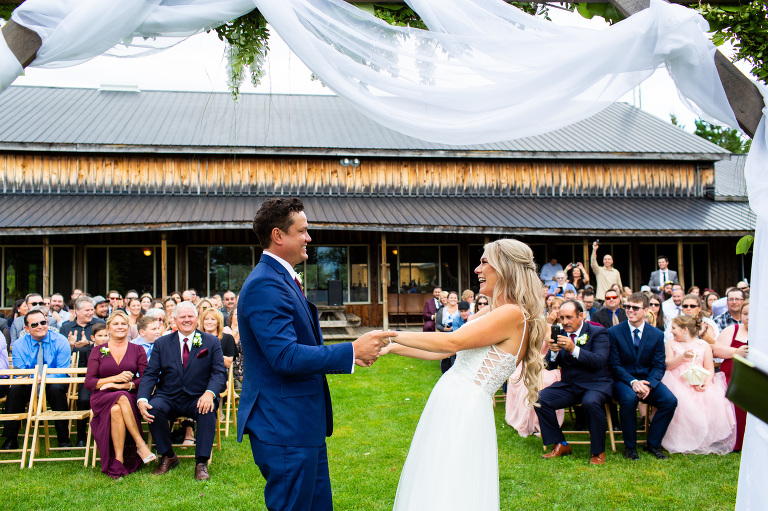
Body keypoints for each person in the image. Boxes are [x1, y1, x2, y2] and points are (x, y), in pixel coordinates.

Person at [236, 197, 388, 509]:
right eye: (302, 231)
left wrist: (353, 355)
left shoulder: (281, 278)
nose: (309, 237)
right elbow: (285, 356)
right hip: (284, 426)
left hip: (301, 424)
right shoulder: (265, 284)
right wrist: (351, 350)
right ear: (279, 235)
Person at [380, 238, 545, 510]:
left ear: (505, 267)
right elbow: (445, 352)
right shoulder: (492, 311)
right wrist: (392, 348)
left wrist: (389, 334)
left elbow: (450, 342)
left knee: (450, 481)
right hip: (451, 399)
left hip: (463, 406)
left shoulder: (513, 314)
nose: (477, 269)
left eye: (484, 262)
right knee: (435, 477)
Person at [535, 300, 612, 465]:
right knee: (540, 399)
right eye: (562, 318)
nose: (565, 322)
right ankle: (560, 444)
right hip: (570, 385)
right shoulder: (560, 333)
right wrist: (553, 353)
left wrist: (573, 349)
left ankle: (598, 451)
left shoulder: (598, 332)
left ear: (581, 315)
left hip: (595, 384)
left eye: (569, 317)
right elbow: (550, 365)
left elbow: (600, 361)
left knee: (591, 403)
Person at [85, 311, 155, 479]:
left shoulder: (137, 349)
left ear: (128, 328)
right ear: (108, 328)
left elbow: (145, 378)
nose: (120, 327)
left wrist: (124, 385)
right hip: (102, 396)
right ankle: (140, 444)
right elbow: (89, 383)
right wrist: (113, 379)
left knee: (118, 406)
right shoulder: (98, 351)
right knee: (121, 397)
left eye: (123, 324)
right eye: (115, 324)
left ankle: (118, 460)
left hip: (129, 395)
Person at [607, 293, 676, 460]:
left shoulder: (657, 334)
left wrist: (649, 384)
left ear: (645, 310)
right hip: (623, 380)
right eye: (627, 306)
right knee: (629, 398)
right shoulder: (614, 332)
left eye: (635, 308)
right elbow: (614, 364)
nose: (630, 310)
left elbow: (659, 365)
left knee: (670, 401)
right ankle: (630, 447)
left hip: (647, 380)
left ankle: (652, 444)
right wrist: (632, 381)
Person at [660, 315, 736, 454]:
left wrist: (706, 383)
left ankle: (705, 439)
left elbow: (709, 368)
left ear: (685, 330)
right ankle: (683, 438)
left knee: (713, 398)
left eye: (674, 328)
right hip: (677, 380)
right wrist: (682, 357)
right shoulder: (670, 344)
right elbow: (668, 365)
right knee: (681, 400)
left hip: (700, 381)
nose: (671, 331)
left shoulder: (703, 345)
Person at [1, 308, 72, 450]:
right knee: (15, 390)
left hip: (54, 381)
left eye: (43, 322)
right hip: (29, 382)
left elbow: (62, 370)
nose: (40, 326)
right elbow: (20, 371)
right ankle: (10, 438)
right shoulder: (19, 344)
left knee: (56, 389)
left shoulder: (61, 340)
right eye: (34, 324)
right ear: (26, 328)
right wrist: (32, 378)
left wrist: (42, 377)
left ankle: (63, 437)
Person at [59, 295, 106, 447]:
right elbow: (62, 352)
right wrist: (71, 346)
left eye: (92, 310)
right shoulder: (66, 327)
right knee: (83, 399)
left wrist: (89, 344)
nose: (90, 313)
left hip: (101, 371)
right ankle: (81, 436)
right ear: (77, 311)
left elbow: (107, 344)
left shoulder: (100, 324)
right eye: (87, 310)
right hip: (77, 373)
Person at [714, 299, 749, 451]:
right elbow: (717, 350)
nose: (748, 317)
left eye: (752, 314)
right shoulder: (732, 330)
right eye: (745, 314)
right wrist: (736, 351)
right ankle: (735, 442)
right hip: (731, 378)